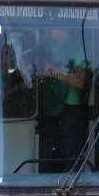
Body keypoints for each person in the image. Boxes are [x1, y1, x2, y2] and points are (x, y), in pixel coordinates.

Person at [37, 28, 86, 171]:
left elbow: (80, 83)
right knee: (47, 150)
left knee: (68, 148)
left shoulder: (76, 49)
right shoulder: (49, 46)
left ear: (63, 29)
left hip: (68, 107)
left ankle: (70, 185)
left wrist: (55, 70)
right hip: (49, 106)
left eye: (51, 27)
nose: (47, 31)